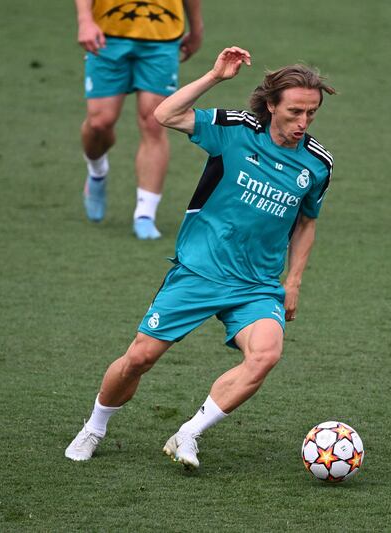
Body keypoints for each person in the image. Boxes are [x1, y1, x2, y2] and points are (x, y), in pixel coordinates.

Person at [65, 46, 336, 468]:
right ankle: (94, 428)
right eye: (295, 112)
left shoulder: (317, 165)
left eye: (311, 114)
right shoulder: (234, 130)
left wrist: (294, 280)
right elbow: (164, 115)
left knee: (265, 354)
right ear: (271, 105)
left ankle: (189, 433)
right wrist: (213, 77)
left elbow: (306, 222)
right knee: (139, 358)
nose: (303, 123)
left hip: (257, 285)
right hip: (199, 270)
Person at [75, 0, 204, 239]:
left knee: (154, 121)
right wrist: (85, 20)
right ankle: (97, 170)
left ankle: (145, 214)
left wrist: (196, 28)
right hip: (108, 33)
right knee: (100, 122)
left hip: (162, 34)